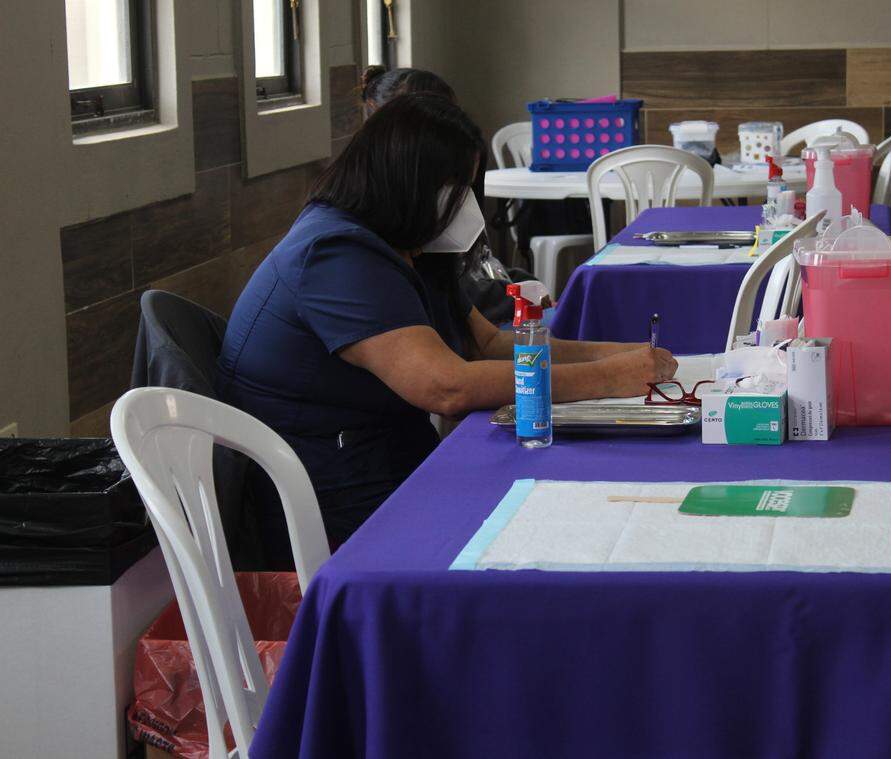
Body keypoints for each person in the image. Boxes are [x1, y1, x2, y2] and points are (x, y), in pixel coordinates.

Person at [216, 93, 676, 564]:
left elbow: (489, 344)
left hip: (390, 465)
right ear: (411, 184)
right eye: (457, 188)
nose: (468, 206)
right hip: (333, 500)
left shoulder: (407, 247)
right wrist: (606, 379)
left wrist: (618, 355)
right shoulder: (336, 257)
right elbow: (446, 387)